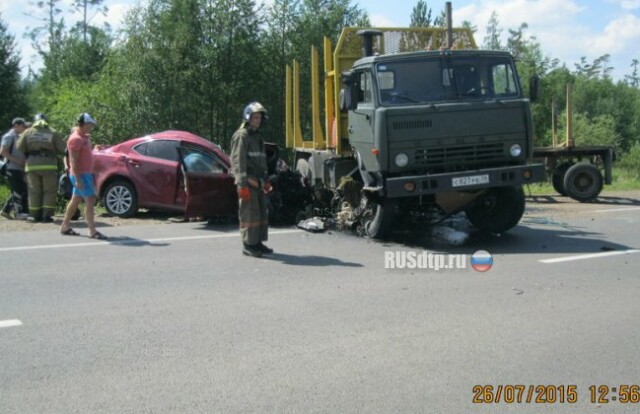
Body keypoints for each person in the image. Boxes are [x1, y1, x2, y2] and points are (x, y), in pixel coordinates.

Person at [230, 102, 273, 257]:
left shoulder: (257, 136)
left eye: (259, 117)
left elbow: (262, 160)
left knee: (260, 213)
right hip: (248, 182)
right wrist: (242, 185)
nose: (257, 120)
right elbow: (238, 161)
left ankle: (257, 242)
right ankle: (248, 245)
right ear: (248, 118)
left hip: (259, 182)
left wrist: (266, 180)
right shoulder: (242, 136)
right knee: (249, 214)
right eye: (255, 117)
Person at [60, 113, 107, 239]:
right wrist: (78, 179)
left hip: (85, 173)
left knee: (75, 200)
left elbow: (85, 155)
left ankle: (65, 226)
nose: (92, 127)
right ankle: (92, 231)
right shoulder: (76, 139)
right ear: (85, 124)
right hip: (81, 174)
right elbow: (73, 161)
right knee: (90, 200)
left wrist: (95, 149)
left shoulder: (84, 137)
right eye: (90, 124)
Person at [16, 113, 65, 223]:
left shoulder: (27, 132)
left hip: (32, 165)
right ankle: (46, 216)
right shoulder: (53, 131)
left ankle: (34, 216)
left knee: (34, 191)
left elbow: (19, 146)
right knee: (49, 191)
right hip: (49, 164)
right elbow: (63, 148)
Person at [0, 117, 29, 220]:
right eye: (23, 126)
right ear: (16, 125)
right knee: (18, 190)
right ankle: (18, 213)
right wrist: (17, 161)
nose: (25, 128)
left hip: (19, 168)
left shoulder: (19, 136)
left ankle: (6, 211)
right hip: (11, 167)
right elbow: (3, 152)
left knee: (19, 189)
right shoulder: (9, 136)